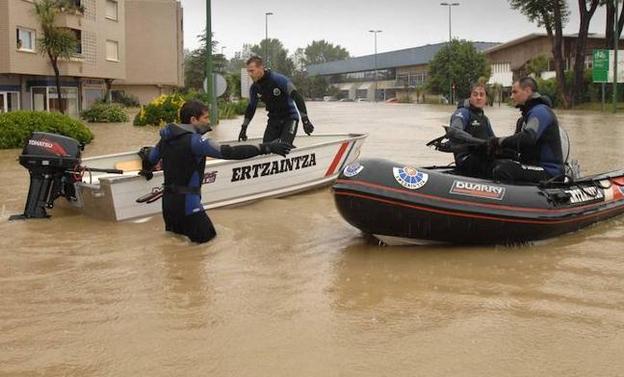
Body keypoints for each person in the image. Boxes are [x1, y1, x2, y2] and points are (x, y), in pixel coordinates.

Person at [138, 100, 293, 244]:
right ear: (193, 120)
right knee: (209, 245)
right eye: (205, 118)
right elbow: (229, 152)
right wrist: (266, 147)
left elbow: (150, 159)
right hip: (189, 205)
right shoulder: (195, 141)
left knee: (175, 250)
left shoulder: (165, 140)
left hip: (168, 206)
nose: (208, 121)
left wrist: (146, 167)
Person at [489, 77, 564, 184]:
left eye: (515, 92)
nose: (511, 96)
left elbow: (528, 138)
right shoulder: (523, 120)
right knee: (494, 163)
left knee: (504, 170)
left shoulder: (540, 112)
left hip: (550, 171)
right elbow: (519, 148)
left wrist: (500, 141)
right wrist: (496, 150)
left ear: (528, 91)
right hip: (532, 166)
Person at [238, 56, 314, 145]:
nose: (250, 74)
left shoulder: (278, 80)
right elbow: (251, 108)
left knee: (283, 146)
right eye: (248, 71)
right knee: (266, 148)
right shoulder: (254, 88)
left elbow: (297, 97)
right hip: (273, 120)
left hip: (289, 118)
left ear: (261, 68)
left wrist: (305, 120)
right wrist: (244, 127)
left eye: (252, 71)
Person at [447, 82, 496, 178]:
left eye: (482, 95)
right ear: (470, 97)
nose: (478, 97)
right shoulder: (463, 113)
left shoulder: (485, 119)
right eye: (475, 94)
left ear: (486, 98)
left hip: (482, 156)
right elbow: (454, 131)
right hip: (466, 159)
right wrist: (480, 142)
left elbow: (493, 140)